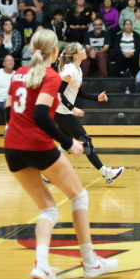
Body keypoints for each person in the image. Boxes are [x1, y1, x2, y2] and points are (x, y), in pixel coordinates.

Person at [4, 29, 116, 279]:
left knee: (48, 208)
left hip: (12, 147)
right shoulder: (51, 75)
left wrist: (15, 135)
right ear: (55, 52)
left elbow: (8, 111)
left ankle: (41, 265)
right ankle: (90, 262)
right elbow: (42, 115)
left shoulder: (19, 73)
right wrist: (70, 143)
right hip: (35, 144)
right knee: (79, 196)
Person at [54, 42, 124, 185]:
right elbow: (58, 92)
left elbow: (78, 92)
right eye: (81, 49)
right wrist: (72, 108)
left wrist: (96, 98)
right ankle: (106, 173)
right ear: (75, 55)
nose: (85, 50)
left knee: (65, 145)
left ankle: (48, 170)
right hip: (61, 112)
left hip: (63, 111)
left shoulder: (77, 70)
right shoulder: (70, 71)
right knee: (86, 141)